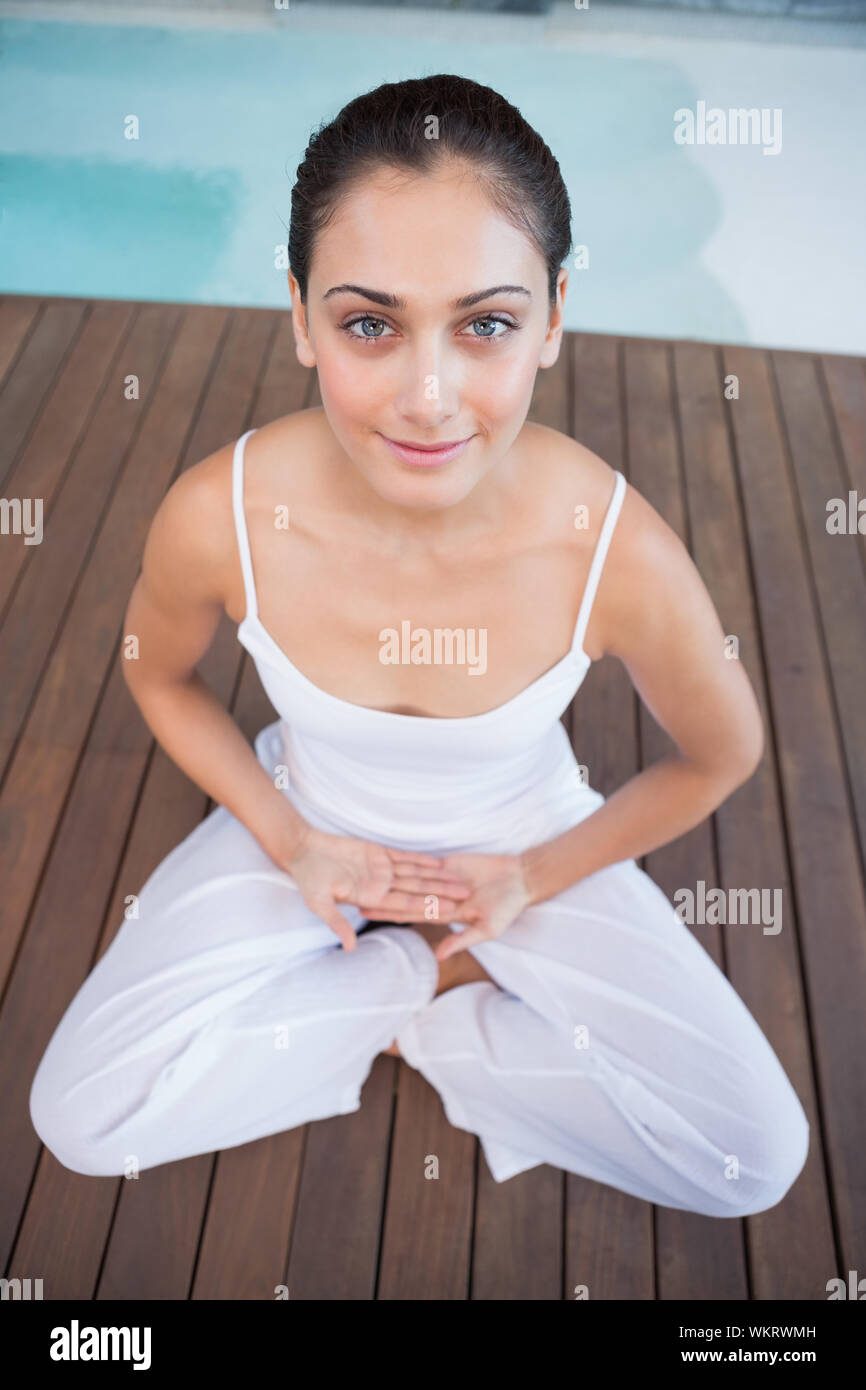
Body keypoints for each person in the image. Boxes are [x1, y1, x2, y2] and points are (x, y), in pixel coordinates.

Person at [29, 75, 809, 1216]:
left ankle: (440, 1017)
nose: (429, 398)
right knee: (79, 1117)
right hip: (310, 821)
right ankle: (405, 980)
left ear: (552, 317)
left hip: (516, 845)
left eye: (484, 323)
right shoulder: (220, 513)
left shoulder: (614, 550)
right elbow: (158, 675)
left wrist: (528, 881)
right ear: (299, 315)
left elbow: (719, 755)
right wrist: (290, 837)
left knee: (755, 1157)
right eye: (369, 325)